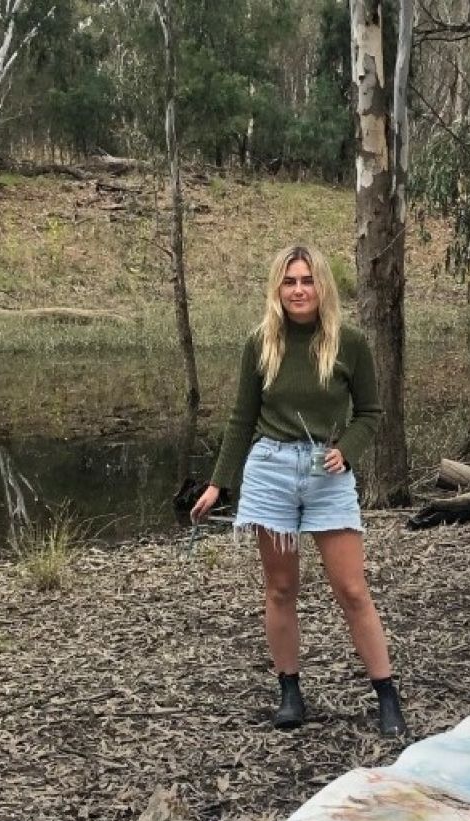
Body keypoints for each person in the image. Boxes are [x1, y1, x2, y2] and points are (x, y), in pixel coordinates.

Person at [190, 244, 406, 737]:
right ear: (277, 289)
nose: (299, 290)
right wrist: (218, 484)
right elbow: (241, 418)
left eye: (307, 280)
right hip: (269, 470)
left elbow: (371, 413)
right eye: (289, 282)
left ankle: (387, 692)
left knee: (352, 588)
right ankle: (290, 691)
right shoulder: (261, 344)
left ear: (322, 286)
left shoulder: (348, 343)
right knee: (282, 587)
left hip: (327, 474)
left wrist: (347, 449)